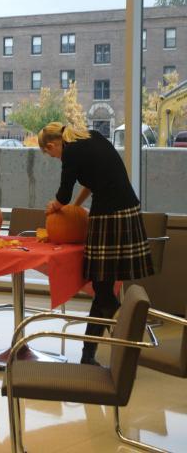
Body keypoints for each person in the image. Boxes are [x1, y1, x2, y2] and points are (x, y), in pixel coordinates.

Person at [38, 122, 155, 366]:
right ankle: (88, 354)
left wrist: (56, 206)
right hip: (127, 209)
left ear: (51, 145)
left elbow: (63, 193)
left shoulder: (70, 151)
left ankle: (126, 326)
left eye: (51, 154)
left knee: (103, 291)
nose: (55, 157)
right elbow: (92, 182)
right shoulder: (91, 137)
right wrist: (76, 208)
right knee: (103, 290)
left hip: (110, 214)